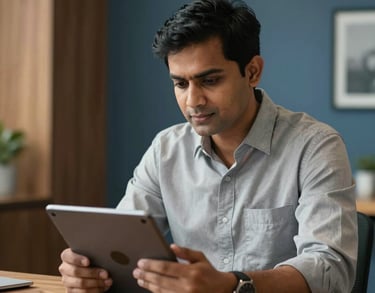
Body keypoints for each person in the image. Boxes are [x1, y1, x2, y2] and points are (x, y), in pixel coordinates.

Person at [59, 0, 357, 292]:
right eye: (180, 84)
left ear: (252, 72)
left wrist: (233, 285)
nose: (193, 101)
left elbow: (331, 271)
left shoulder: (315, 147)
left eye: (209, 80)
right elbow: (120, 243)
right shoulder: (166, 150)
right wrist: (91, 267)